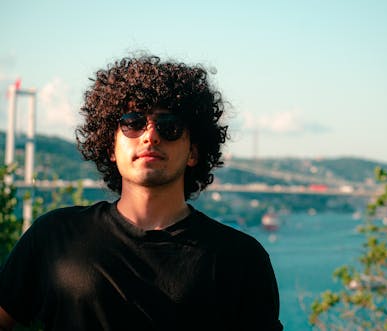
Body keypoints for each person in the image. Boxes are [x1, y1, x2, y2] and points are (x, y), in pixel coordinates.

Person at [0, 55, 283, 331]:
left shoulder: (241, 259)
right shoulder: (54, 236)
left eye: (169, 126)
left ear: (194, 151)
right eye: (133, 122)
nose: (150, 135)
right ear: (110, 147)